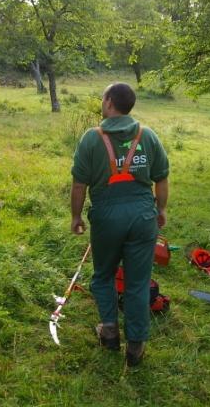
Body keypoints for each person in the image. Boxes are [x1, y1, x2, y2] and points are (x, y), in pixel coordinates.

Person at [70, 83, 169, 367]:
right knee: (138, 284)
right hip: (142, 216)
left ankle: (110, 332)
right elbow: (161, 177)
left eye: (103, 97)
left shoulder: (92, 138)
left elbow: (79, 184)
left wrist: (76, 217)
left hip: (107, 217)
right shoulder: (147, 136)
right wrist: (160, 209)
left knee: (103, 275)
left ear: (110, 102)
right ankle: (135, 347)